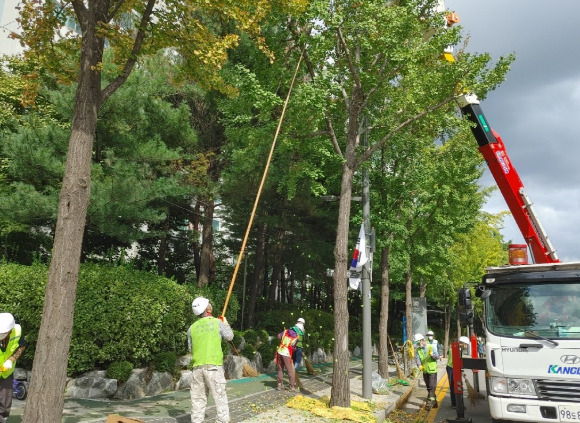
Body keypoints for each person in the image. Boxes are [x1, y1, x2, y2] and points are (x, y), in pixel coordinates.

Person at [188, 297, 233, 423]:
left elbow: (190, 348)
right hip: (214, 367)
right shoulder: (217, 323)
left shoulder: (191, 328)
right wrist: (225, 323)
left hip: (197, 369)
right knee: (220, 399)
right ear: (208, 308)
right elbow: (229, 336)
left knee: (198, 400)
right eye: (209, 304)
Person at [0, 312, 25, 423]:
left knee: (5, 399)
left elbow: (22, 346)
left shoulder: (17, 331)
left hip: (6, 372)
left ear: (10, 330)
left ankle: (3, 419)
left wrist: (11, 360)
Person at [415, 333, 439, 410]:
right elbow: (417, 359)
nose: (418, 344)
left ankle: (429, 403)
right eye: (417, 343)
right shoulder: (418, 350)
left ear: (422, 340)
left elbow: (437, 357)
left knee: (432, 386)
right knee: (429, 387)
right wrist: (419, 365)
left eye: (418, 342)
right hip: (425, 371)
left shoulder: (430, 347)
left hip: (432, 370)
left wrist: (432, 354)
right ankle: (434, 402)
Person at [446, 336, 469, 408]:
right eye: (465, 344)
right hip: (451, 368)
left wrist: (461, 370)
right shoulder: (455, 348)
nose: (466, 346)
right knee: (453, 386)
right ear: (462, 343)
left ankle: (457, 403)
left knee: (456, 385)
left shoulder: (458, 348)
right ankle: (454, 403)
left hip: (454, 368)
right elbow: (455, 361)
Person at [276, 324, 298, 391]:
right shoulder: (296, 337)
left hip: (279, 352)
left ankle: (279, 385)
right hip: (286, 354)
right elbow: (293, 348)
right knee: (290, 370)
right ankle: (292, 386)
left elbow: (278, 336)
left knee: (280, 369)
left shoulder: (285, 331)